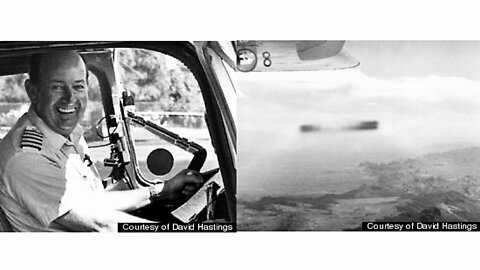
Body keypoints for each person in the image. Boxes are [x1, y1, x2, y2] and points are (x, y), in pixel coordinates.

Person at [0, 50, 204, 232]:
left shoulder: (66, 135)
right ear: (33, 92)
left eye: (78, 86)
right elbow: (101, 223)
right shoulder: (26, 156)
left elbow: (92, 203)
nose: (70, 98)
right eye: (57, 87)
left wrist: (158, 191)